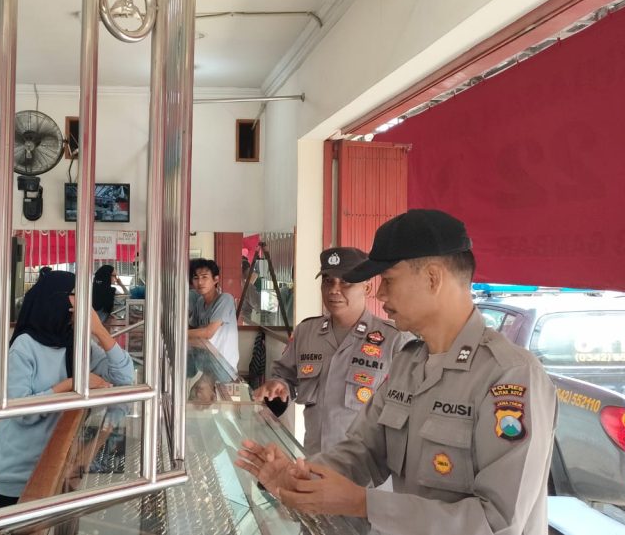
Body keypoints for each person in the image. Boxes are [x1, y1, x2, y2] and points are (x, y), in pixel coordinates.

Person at [236, 209, 557, 535]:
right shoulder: (409, 363)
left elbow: (498, 522)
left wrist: (364, 504)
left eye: (388, 280)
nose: (381, 294)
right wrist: (299, 476)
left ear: (433, 278)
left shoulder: (510, 376)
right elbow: (363, 451)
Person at [0, 270, 135, 508]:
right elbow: (21, 412)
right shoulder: (24, 346)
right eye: (77, 294)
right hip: (19, 470)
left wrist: (99, 330)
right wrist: (71, 384)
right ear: (56, 298)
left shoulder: (76, 342)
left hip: (60, 460)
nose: (84, 302)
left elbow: (125, 377)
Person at [254, 247, 409, 455]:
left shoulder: (395, 340)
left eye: (346, 282)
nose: (334, 290)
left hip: (365, 467)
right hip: (315, 458)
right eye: (328, 281)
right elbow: (285, 376)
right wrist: (279, 385)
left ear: (367, 287)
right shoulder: (306, 332)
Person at [188, 258, 239, 371]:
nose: (200, 282)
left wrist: (177, 334)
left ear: (216, 279)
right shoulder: (200, 302)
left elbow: (208, 333)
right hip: (206, 364)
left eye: (204, 277)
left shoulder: (225, 299)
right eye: (196, 278)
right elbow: (191, 328)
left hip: (224, 367)